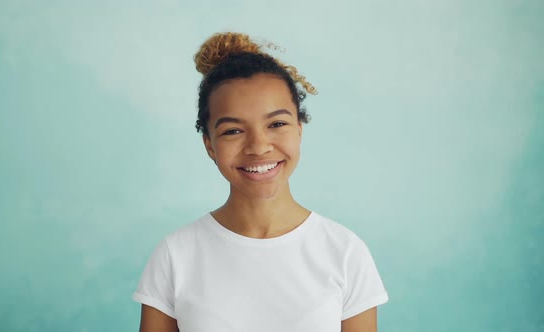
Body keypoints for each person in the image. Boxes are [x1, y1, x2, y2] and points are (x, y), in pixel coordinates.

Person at [133, 32, 389, 332]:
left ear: (299, 129)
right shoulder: (174, 256)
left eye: (277, 124)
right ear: (210, 145)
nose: (258, 146)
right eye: (232, 131)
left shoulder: (345, 253)